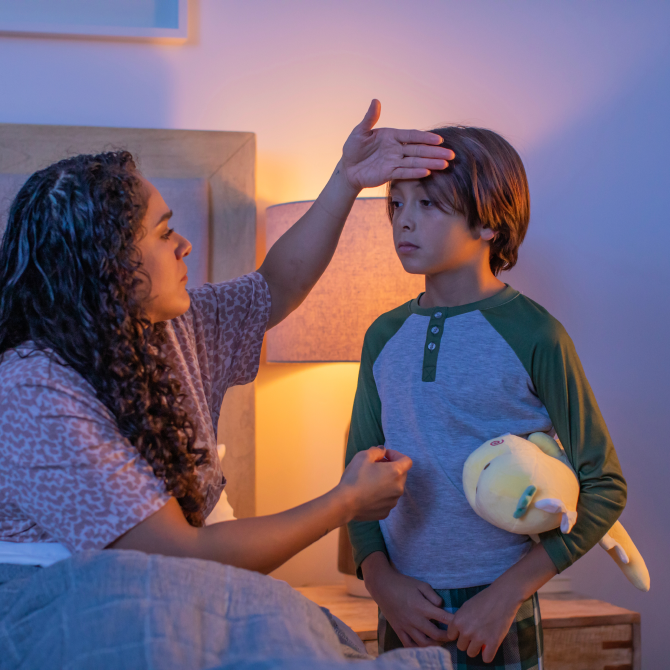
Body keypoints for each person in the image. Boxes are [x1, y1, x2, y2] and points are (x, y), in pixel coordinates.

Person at [0, 102, 455, 668]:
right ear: (106, 263)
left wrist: (346, 178)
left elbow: (278, 283)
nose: (184, 245)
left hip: (178, 581)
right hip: (65, 606)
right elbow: (176, 560)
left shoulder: (170, 326)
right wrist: (345, 502)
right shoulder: (32, 390)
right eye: (164, 232)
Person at [345, 126, 627, 667]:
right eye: (397, 204)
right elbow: (358, 476)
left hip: (497, 612)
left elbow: (604, 486)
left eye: (428, 204)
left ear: (490, 220)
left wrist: (507, 594)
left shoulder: (535, 334)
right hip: (404, 608)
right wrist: (381, 582)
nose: (403, 219)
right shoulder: (382, 336)